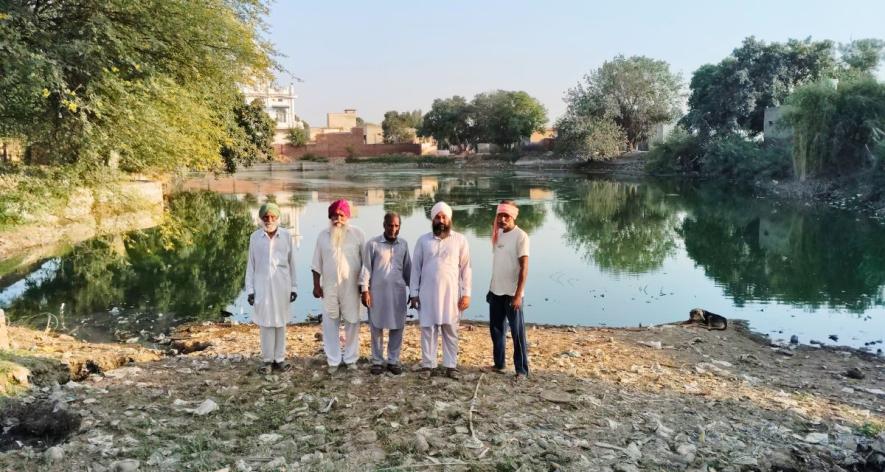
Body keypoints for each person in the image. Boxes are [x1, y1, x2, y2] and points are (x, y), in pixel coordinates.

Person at [409, 202, 471, 379]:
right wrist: (414, 293)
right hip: (427, 293)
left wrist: (466, 293)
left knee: (450, 329)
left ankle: (451, 366)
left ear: (449, 219)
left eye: (444, 217)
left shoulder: (460, 240)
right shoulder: (423, 241)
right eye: (438, 217)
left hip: (451, 294)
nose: (441, 220)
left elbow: (466, 269)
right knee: (428, 329)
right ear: (433, 219)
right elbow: (416, 269)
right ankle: (428, 365)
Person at [311, 199, 365, 374]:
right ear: (330, 217)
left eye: (341, 215)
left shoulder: (358, 234)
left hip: (351, 286)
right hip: (329, 287)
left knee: (352, 322)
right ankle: (333, 360)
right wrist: (316, 286)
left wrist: (365, 287)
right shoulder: (323, 236)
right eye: (334, 216)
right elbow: (316, 263)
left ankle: (350, 359)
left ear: (347, 216)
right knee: (329, 323)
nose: (338, 219)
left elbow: (366, 264)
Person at [245, 202, 297, 375]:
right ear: (260, 219)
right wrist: (250, 290)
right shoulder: (255, 237)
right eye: (266, 217)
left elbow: (292, 264)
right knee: (266, 324)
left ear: (278, 218)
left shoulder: (286, 236)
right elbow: (250, 266)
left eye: (273, 217)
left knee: (280, 323)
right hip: (262, 287)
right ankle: (267, 360)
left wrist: (294, 287)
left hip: (282, 286)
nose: (269, 220)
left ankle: (280, 359)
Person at [359, 212, 411, 375]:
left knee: (398, 326)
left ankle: (393, 360)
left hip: (398, 292)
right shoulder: (373, 244)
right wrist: (364, 290)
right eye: (390, 225)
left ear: (400, 227)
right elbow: (366, 268)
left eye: (396, 226)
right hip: (377, 292)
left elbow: (408, 269)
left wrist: (414, 292)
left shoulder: (403, 244)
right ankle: (377, 361)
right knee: (376, 326)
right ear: (384, 225)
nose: (393, 229)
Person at [487, 199, 530, 380]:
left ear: (513, 216)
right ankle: (499, 365)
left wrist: (518, 294)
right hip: (496, 291)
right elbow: (499, 263)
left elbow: (524, 267)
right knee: (496, 330)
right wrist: (490, 289)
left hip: (512, 294)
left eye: (506, 216)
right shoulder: (498, 234)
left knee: (517, 333)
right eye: (500, 215)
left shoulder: (521, 236)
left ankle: (522, 370)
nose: (503, 219)